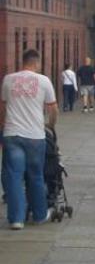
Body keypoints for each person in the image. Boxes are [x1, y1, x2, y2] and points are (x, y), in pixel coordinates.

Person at [0, 49, 57, 230]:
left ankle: (16, 219)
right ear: (37, 63)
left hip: (12, 134)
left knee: (14, 177)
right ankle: (39, 215)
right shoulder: (43, 81)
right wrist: (51, 125)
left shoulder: (8, 79)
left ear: (22, 62)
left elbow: (3, 107)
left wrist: (3, 125)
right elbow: (53, 108)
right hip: (35, 136)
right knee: (36, 176)